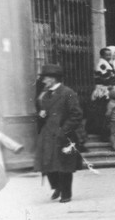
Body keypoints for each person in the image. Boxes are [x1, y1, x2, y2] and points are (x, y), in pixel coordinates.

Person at [33, 64, 83, 203]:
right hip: (48, 134)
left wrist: (64, 130)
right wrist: (41, 115)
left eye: (46, 78)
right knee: (47, 163)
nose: (43, 81)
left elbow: (76, 115)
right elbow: (44, 112)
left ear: (54, 79)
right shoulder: (44, 95)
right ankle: (57, 187)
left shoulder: (68, 93)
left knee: (65, 165)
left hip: (63, 135)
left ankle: (66, 194)